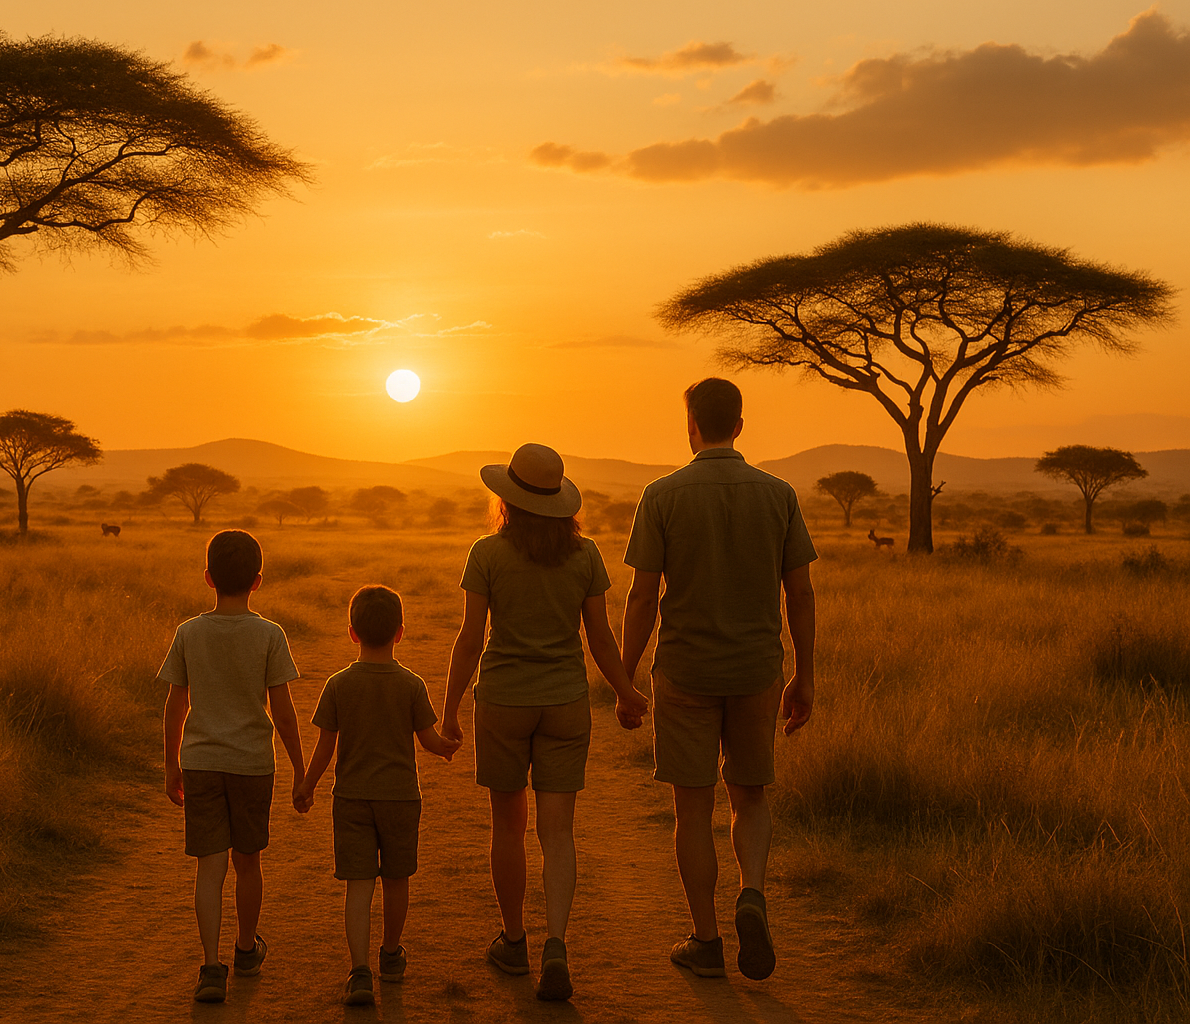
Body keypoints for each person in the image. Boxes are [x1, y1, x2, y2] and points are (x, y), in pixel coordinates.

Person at [619, 377, 817, 982]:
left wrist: (625, 678)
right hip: (758, 670)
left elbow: (643, 596)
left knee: (691, 808)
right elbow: (800, 593)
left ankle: (706, 941)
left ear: (691, 424)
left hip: (684, 672)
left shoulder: (662, 495)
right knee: (751, 796)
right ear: (739, 424)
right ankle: (751, 893)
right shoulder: (778, 494)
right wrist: (804, 676)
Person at [441, 443, 649, 1002]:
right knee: (558, 832)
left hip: (504, 701)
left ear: (507, 500)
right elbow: (599, 638)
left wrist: (450, 708)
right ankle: (557, 941)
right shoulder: (586, 556)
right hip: (565, 702)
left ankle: (514, 942)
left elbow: (470, 640)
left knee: (507, 827)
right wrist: (628, 692)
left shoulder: (486, 553)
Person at [293, 585, 461, 1006]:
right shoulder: (412, 684)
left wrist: (307, 784)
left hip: (351, 798)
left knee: (359, 885)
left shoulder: (338, 684)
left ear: (352, 633)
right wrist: (448, 745)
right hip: (402, 798)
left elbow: (325, 747)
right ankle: (390, 955)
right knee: (397, 879)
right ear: (400, 632)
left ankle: (360, 970)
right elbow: (429, 742)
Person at [160, 530, 307, 1003]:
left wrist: (170, 766)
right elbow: (282, 711)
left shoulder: (189, 632)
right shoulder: (269, 634)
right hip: (251, 764)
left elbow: (174, 705)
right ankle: (246, 949)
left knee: (209, 867)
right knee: (248, 863)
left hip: (200, 762)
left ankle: (209, 966)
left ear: (208, 578)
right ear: (257, 582)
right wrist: (301, 768)